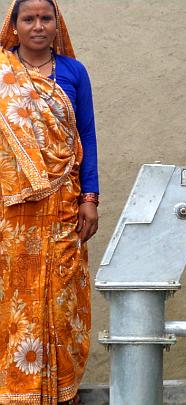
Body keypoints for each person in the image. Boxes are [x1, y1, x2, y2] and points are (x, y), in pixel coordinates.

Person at [0, 0, 99, 403]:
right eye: (29, 18)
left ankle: (62, 389)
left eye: (46, 18)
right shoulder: (2, 72)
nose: (38, 26)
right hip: (11, 208)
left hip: (63, 203)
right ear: (15, 25)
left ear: (57, 25)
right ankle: (17, 389)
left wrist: (90, 198)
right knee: (16, 294)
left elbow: (87, 137)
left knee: (63, 294)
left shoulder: (74, 73)